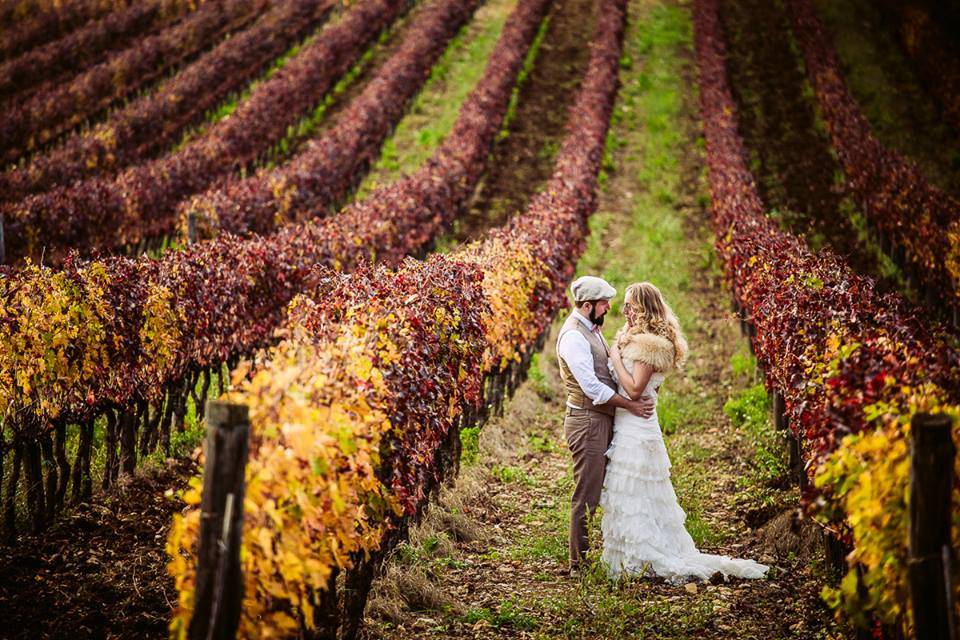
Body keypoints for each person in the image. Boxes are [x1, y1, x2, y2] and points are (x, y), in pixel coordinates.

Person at [600, 281, 768, 582]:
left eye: (630, 305)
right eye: (624, 305)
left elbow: (636, 389)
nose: (624, 310)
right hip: (630, 423)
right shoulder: (637, 339)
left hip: (637, 427)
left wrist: (614, 357)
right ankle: (630, 556)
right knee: (632, 492)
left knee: (636, 490)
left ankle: (645, 555)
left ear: (644, 309)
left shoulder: (650, 345)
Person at [556, 275, 654, 577]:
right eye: (603, 303)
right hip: (587, 421)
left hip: (599, 418)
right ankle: (578, 565)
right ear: (587, 306)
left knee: (598, 489)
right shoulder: (574, 336)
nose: (609, 307)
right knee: (586, 492)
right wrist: (631, 405)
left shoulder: (590, 329)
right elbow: (592, 388)